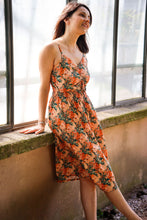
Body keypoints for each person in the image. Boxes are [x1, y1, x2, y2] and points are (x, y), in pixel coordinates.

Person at [21, 2, 142, 220]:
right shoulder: (51, 49)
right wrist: (41, 122)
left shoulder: (81, 52)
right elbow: (43, 87)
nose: (87, 19)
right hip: (64, 116)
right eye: (82, 14)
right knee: (100, 166)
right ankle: (134, 218)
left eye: (90, 17)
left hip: (87, 116)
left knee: (89, 173)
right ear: (66, 18)